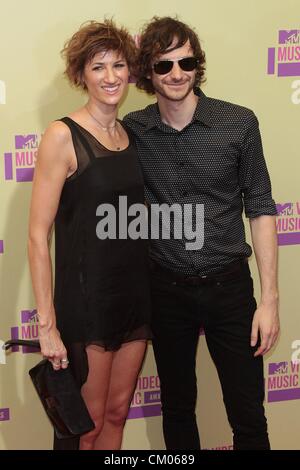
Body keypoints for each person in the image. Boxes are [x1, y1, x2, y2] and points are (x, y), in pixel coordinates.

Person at [124, 16, 280, 450]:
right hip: (165, 290)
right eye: (163, 65)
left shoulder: (238, 123)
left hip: (229, 288)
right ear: (147, 73)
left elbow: (262, 208)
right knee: (176, 409)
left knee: (248, 413)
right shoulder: (133, 131)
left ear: (198, 65)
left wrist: (269, 300)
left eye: (186, 62)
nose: (176, 73)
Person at [28, 20, 151, 451]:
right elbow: (36, 235)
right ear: (81, 74)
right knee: (88, 423)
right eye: (98, 67)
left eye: (119, 65)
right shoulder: (62, 136)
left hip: (135, 298)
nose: (111, 76)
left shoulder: (132, 135)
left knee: (117, 414)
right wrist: (47, 325)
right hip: (87, 303)